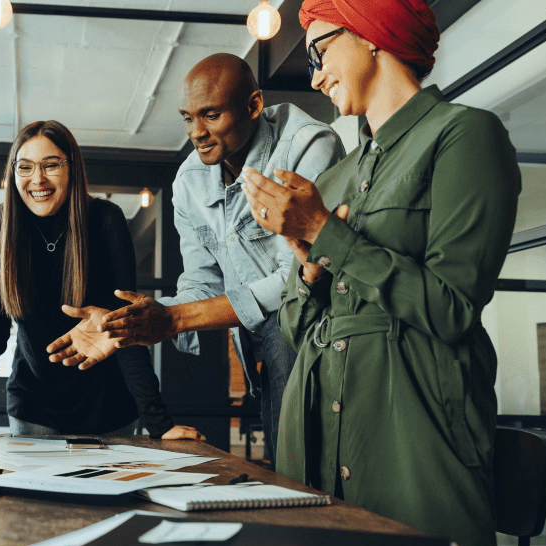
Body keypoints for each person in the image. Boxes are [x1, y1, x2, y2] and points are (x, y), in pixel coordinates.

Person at [236, 0, 520, 546]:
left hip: (412, 448)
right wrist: (310, 265)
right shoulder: (338, 174)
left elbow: (452, 307)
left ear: (370, 34)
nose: (315, 75)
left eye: (320, 51)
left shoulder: (464, 136)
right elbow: (297, 331)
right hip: (313, 446)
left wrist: (327, 233)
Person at [48, 54, 343, 466]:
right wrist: (130, 321)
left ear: (253, 106)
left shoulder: (308, 146)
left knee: (302, 464)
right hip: (263, 344)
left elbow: (296, 281)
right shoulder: (189, 179)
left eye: (211, 115)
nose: (196, 133)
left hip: (324, 331)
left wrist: (174, 320)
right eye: (187, 118)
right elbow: (201, 282)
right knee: (284, 462)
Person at [0, 120, 202, 441]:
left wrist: (160, 424)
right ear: (13, 172)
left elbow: (124, 324)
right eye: (25, 167)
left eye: (51, 165)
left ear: (72, 168)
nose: (38, 179)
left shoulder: (105, 220)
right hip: (33, 408)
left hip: (109, 407)